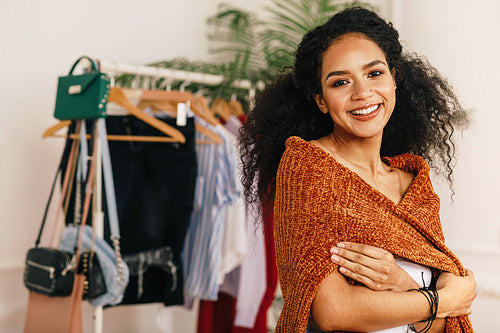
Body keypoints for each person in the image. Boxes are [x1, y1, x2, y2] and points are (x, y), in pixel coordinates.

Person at [239, 6, 476, 333]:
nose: (362, 92)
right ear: (321, 100)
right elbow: (334, 311)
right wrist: (442, 300)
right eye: (340, 82)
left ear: (394, 79)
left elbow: (441, 327)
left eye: (374, 73)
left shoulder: (415, 181)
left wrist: (402, 283)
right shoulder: (308, 166)